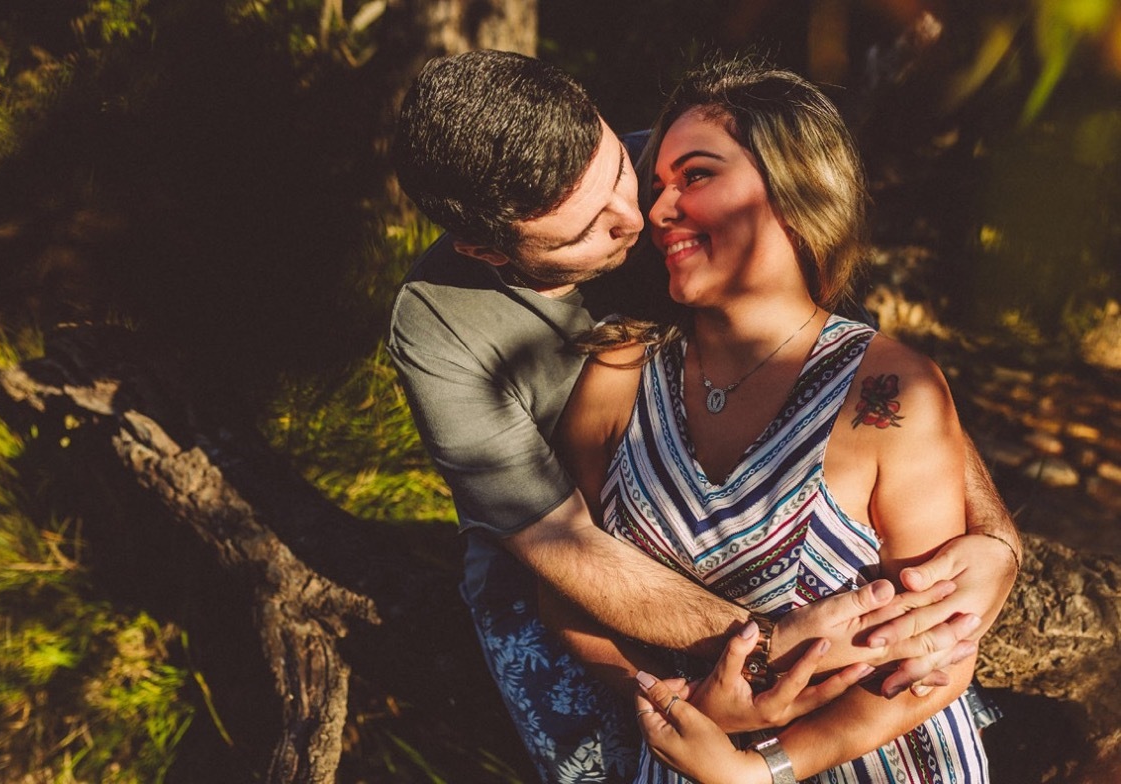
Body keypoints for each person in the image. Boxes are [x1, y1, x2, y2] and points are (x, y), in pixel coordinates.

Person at [388, 49, 1020, 783]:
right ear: (486, 249)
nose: (642, 220)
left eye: (622, 173)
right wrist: (732, 678)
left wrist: (996, 538)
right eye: (591, 227)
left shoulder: (690, 166)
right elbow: (560, 551)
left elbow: (864, 372)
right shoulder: (440, 325)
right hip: (556, 541)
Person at [553, 58, 996, 783]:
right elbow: (565, 592)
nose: (659, 213)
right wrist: (685, 708)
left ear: (794, 189)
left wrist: (760, 770)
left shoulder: (890, 390)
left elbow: (937, 659)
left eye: (694, 177)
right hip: (686, 756)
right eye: (658, 186)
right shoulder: (619, 373)